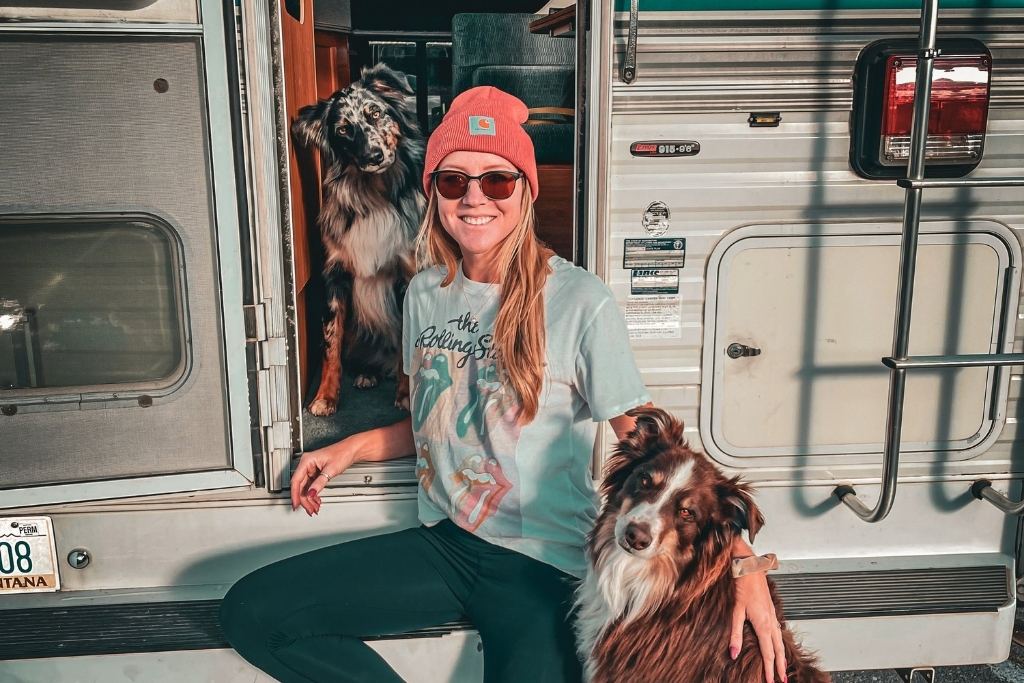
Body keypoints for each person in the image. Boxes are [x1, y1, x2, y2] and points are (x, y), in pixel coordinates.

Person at [220, 86, 787, 683]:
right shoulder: (424, 294)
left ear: (523, 191)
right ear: (433, 191)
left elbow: (661, 456)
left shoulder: (578, 302)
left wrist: (743, 564)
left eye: (496, 181)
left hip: (542, 568)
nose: (474, 199)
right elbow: (437, 420)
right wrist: (348, 449)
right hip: (444, 546)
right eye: (453, 181)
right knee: (253, 613)